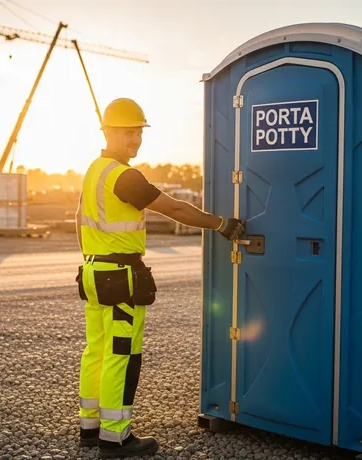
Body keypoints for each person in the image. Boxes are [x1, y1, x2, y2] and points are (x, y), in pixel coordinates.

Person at [75, 98, 245, 458]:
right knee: (122, 353)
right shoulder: (124, 176)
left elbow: (80, 219)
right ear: (107, 132)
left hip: (93, 271)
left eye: (138, 133)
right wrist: (221, 224)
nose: (135, 140)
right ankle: (115, 436)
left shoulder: (94, 170)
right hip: (119, 275)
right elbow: (174, 208)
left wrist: (92, 256)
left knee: (97, 351)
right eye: (127, 133)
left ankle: (89, 427)